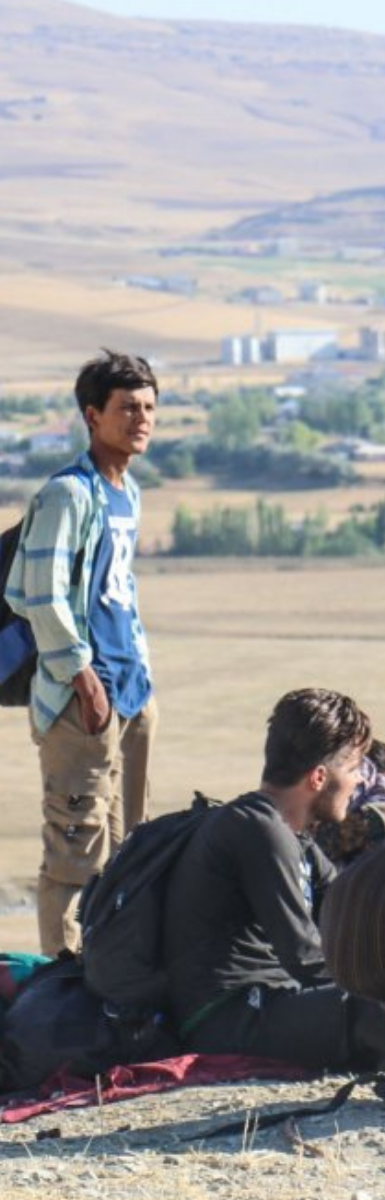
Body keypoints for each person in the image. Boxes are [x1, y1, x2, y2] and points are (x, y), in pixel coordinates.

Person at [161, 688, 385, 1070]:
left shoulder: (292, 834)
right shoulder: (256, 830)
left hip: (267, 1000)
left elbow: (347, 906)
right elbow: (305, 957)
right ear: (319, 777)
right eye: (353, 770)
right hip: (226, 1017)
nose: (356, 784)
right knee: (378, 1010)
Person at [4, 350, 159, 956]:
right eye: (127, 408)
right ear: (92, 416)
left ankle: (112, 979)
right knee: (74, 859)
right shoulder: (71, 494)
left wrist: (139, 678)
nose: (141, 419)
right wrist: (83, 680)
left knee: (130, 852)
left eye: (148, 407)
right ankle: (59, 1000)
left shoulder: (129, 492)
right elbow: (38, 594)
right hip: (81, 702)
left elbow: (117, 592)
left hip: (130, 693)